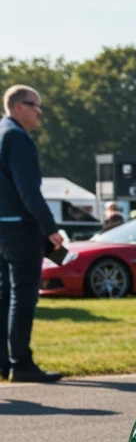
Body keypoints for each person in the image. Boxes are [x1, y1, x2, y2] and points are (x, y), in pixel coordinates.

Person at [0, 85, 64, 382]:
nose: (40, 111)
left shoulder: (2, 133)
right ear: (17, 107)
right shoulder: (18, 138)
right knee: (23, 297)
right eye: (34, 105)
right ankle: (21, 363)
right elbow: (29, 192)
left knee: (5, 295)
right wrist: (51, 229)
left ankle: (5, 361)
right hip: (19, 228)